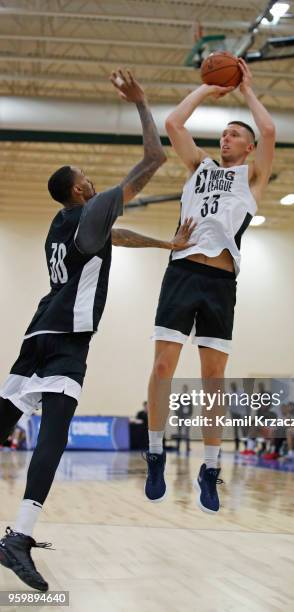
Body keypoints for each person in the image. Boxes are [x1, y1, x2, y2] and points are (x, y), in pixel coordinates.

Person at [0, 69, 194, 592]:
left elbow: (113, 237)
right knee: (54, 437)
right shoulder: (88, 209)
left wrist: (163, 246)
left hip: (37, 334)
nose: (92, 179)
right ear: (82, 188)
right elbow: (153, 159)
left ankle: (18, 535)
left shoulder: (65, 225)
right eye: (87, 175)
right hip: (65, 340)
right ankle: (18, 535)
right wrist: (142, 102)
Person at [144, 59, 276, 513]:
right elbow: (173, 122)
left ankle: (211, 468)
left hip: (221, 281)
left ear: (249, 146)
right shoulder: (199, 166)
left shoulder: (252, 178)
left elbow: (271, 131)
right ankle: (156, 452)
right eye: (223, 133)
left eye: (235, 134)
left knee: (213, 380)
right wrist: (206, 87)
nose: (226, 138)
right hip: (182, 271)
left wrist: (247, 91)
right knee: (163, 368)